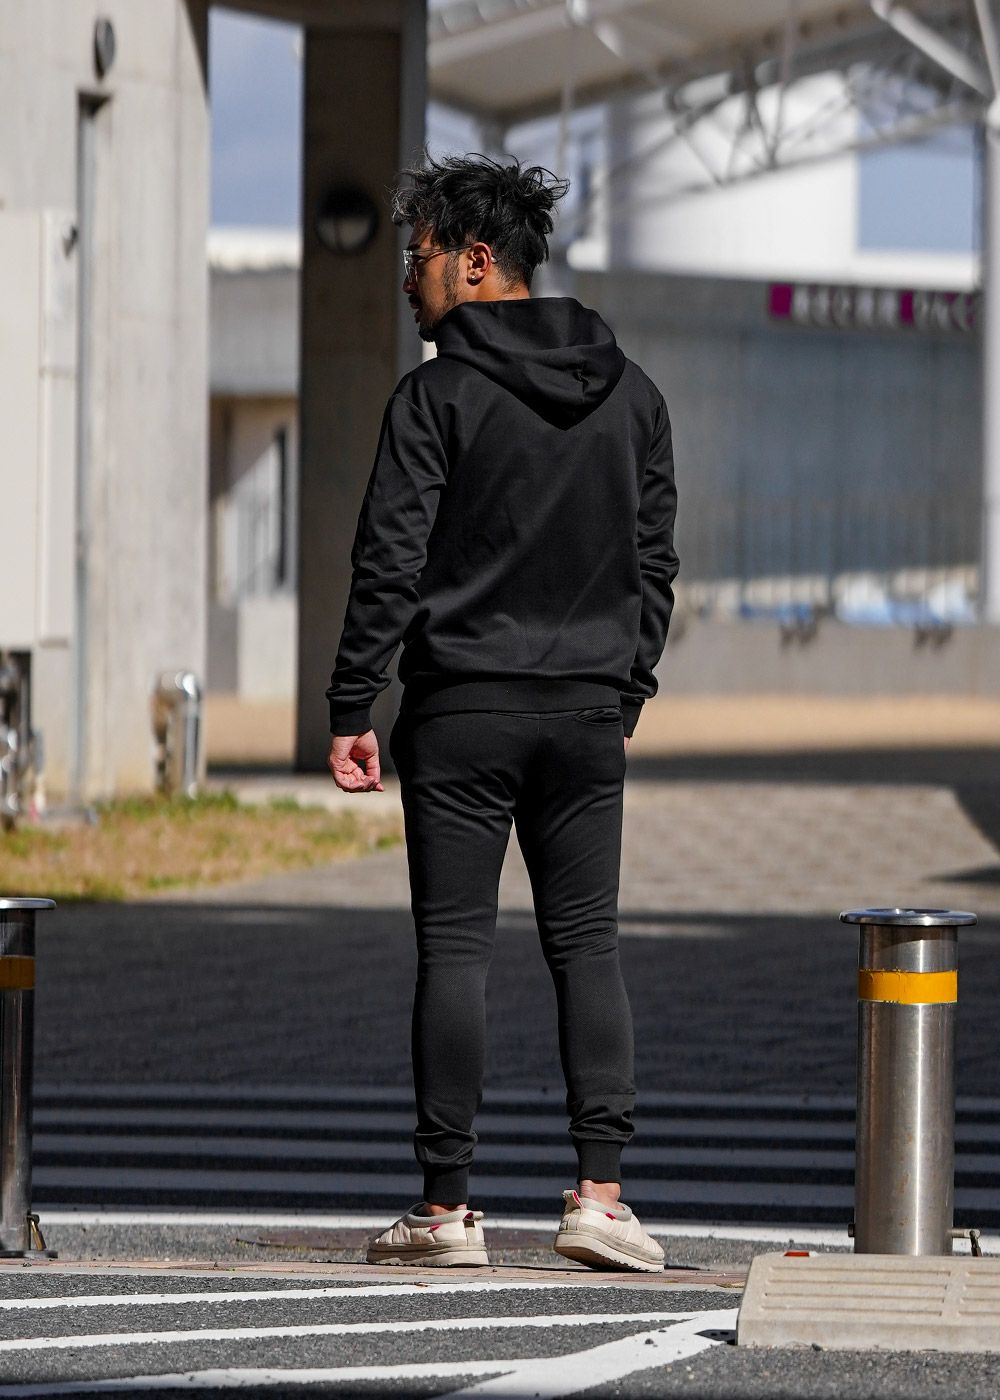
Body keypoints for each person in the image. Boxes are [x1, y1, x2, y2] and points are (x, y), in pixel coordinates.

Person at [326, 153, 678, 1272]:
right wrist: (625, 687)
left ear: (477, 261)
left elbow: (389, 558)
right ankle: (600, 1198)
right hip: (585, 715)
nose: (407, 279)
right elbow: (655, 563)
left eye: (419, 255)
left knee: (455, 950)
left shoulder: (434, 398)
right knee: (588, 945)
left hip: (462, 711)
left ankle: (445, 1212)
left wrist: (352, 699)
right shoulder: (633, 394)